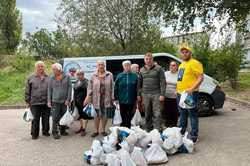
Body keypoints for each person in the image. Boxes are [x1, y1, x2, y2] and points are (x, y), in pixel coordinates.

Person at [176, 44, 204, 143]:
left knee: (192, 114)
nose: (184, 54)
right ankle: (182, 132)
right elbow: (180, 79)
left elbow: (201, 78)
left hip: (190, 94)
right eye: (182, 52)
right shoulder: (181, 64)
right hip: (180, 94)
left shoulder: (195, 63)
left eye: (186, 52)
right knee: (182, 113)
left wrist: (192, 89)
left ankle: (194, 136)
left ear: (190, 53)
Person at [84, 60, 114, 137]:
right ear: (97, 66)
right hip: (96, 98)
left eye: (102, 65)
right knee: (96, 115)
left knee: (105, 115)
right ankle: (96, 130)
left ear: (104, 66)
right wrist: (88, 96)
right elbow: (90, 87)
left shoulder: (109, 74)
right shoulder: (93, 75)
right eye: (99, 65)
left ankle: (103, 130)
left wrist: (113, 97)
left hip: (106, 98)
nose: (101, 66)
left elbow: (112, 87)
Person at [137, 52, 166, 131]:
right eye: (146, 59)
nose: (148, 60)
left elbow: (163, 82)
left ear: (152, 59)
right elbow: (139, 84)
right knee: (147, 113)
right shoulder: (142, 70)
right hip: (145, 94)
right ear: (144, 60)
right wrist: (138, 95)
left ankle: (156, 130)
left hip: (156, 94)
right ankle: (148, 129)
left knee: (157, 113)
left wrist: (162, 94)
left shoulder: (159, 69)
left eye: (150, 59)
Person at [25, 61, 50, 140]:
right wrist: (27, 101)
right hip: (34, 102)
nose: (40, 68)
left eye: (42, 66)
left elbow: (51, 89)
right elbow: (27, 90)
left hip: (46, 102)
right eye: (39, 66)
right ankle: (34, 134)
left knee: (46, 118)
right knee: (35, 119)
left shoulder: (48, 77)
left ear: (44, 67)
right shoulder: (31, 77)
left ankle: (45, 131)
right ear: (36, 68)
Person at [48, 63, 72, 139]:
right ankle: (55, 132)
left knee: (63, 116)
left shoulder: (67, 77)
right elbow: (49, 90)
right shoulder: (51, 78)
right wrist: (49, 101)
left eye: (54, 69)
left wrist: (68, 99)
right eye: (53, 69)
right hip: (55, 101)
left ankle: (63, 130)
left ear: (59, 69)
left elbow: (69, 89)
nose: (53, 71)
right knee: (55, 117)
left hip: (64, 101)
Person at [114, 60, 138, 128]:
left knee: (130, 114)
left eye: (128, 65)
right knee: (122, 114)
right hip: (122, 99)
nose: (127, 67)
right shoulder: (119, 76)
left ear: (130, 66)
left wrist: (137, 98)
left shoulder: (134, 76)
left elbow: (137, 88)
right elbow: (116, 88)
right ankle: (123, 127)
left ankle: (129, 127)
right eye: (125, 65)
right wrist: (116, 98)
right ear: (123, 67)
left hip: (131, 99)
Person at [74, 69, 91, 136]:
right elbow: (75, 91)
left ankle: (84, 129)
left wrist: (87, 100)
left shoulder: (86, 82)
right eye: (77, 74)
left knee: (84, 115)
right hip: (77, 101)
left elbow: (89, 92)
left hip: (84, 101)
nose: (78, 76)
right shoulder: (77, 81)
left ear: (83, 74)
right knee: (80, 115)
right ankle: (81, 127)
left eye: (80, 74)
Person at [163, 61, 179, 127]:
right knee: (166, 112)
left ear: (177, 67)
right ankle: (167, 126)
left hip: (175, 97)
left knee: (175, 112)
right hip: (166, 96)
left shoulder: (179, 75)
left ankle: (174, 126)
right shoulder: (165, 74)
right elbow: (162, 83)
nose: (172, 67)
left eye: (174, 65)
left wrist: (177, 91)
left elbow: (182, 85)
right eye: (171, 65)